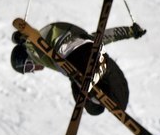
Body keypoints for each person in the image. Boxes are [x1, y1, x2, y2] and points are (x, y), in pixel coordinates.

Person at [10, 17, 146, 115]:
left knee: (118, 103)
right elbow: (103, 37)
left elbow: (32, 42)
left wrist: (22, 38)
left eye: (28, 67)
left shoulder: (34, 52)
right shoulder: (46, 55)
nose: (34, 69)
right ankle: (93, 93)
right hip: (87, 55)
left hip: (81, 57)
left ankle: (91, 91)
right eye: (29, 71)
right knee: (96, 110)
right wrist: (129, 31)